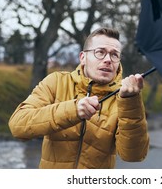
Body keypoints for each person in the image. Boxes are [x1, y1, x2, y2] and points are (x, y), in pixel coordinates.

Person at [9, 27, 149, 169]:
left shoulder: (125, 98)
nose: (108, 60)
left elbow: (134, 155)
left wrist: (131, 103)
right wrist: (73, 110)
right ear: (83, 57)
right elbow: (18, 126)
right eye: (100, 52)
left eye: (114, 55)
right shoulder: (56, 82)